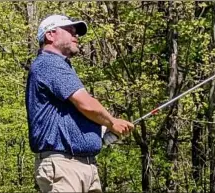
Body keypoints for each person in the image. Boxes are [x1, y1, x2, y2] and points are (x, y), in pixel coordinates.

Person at [25, 14, 134, 193]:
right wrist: (112, 122)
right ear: (50, 35)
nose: (76, 35)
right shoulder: (48, 63)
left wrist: (101, 132)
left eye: (76, 32)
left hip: (83, 166)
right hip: (64, 166)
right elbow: (86, 104)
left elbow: (73, 115)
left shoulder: (61, 67)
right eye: (69, 30)